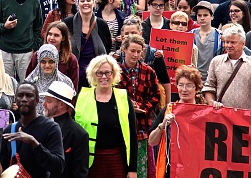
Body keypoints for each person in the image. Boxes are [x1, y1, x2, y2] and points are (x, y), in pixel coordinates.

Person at [74, 55, 136, 178]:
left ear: (114, 74)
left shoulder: (123, 98)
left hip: (116, 161)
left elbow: (132, 136)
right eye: (99, 73)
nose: (104, 77)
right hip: (89, 162)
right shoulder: (82, 97)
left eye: (107, 72)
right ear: (93, 75)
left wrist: (132, 169)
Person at [0, 82, 66, 178]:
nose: (24, 99)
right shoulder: (10, 130)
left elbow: (58, 167)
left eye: (29, 96)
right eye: (20, 95)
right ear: (15, 100)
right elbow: (4, 166)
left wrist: (34, 143)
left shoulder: (51, 128)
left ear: (37, 100)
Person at [148, 65, 207, 178]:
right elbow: (151, 141)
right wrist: (162, 125)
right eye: (181, 85)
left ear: (197, 89)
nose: (184, 89)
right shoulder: (168, 110)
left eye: (189, 86)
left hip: (196, 167)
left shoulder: (204, 111)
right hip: (171, 167)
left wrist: (218, 109)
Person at [116, 35, 160, 178]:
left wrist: (142, 106)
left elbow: (156, 95)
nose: (135, 55)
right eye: (132, 51)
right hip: (119, 125)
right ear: (124, 49)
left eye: (139, 51)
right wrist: (127, 104)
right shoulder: (114, 71)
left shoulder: (148, 71)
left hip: (141, 125)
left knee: (140, 168)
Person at [203, 25, 251, 110]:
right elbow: (209, 87)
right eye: (227, 42)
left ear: (243, 44)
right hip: (221, 115)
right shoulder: (216, 61)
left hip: (246, 116)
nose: (229, 45)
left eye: (233, 42)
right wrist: (212, 102)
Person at [0, 0, 44, 81]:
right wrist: (5, 26)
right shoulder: (3, 0)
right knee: (6, 84)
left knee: (26, 83)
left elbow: (38, 27)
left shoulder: (34, 1)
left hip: (26, 51)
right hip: (6, 49)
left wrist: (34, 47)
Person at [63, 0, 111, 88]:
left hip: (96, 75)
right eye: (82, 1)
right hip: (73, 75)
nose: (85, 3)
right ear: (77, 3)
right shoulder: (68, 23)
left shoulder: (102, 25)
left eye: (88, 0)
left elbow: (108, 46)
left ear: (93, 3)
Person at [41, 81, 90, 178]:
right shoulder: (39, 125)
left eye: (49, 101)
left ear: (61, 105)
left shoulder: (78, 134)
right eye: (45, 100)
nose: (44, 104)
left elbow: (80, 173)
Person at [25, 44, 75, 114]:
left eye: (51, 61)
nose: (47, 65)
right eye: (43, 62)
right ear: (39, 62)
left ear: (56, 61)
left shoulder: (65, 82)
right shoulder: (30, 83)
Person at [190, 2, 221, 82]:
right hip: (193, 79)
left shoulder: (220, 36)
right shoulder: (190, 35)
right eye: (199, 15)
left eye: (205, 15)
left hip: (213, 80)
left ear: (212, 16)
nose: (202, 18)